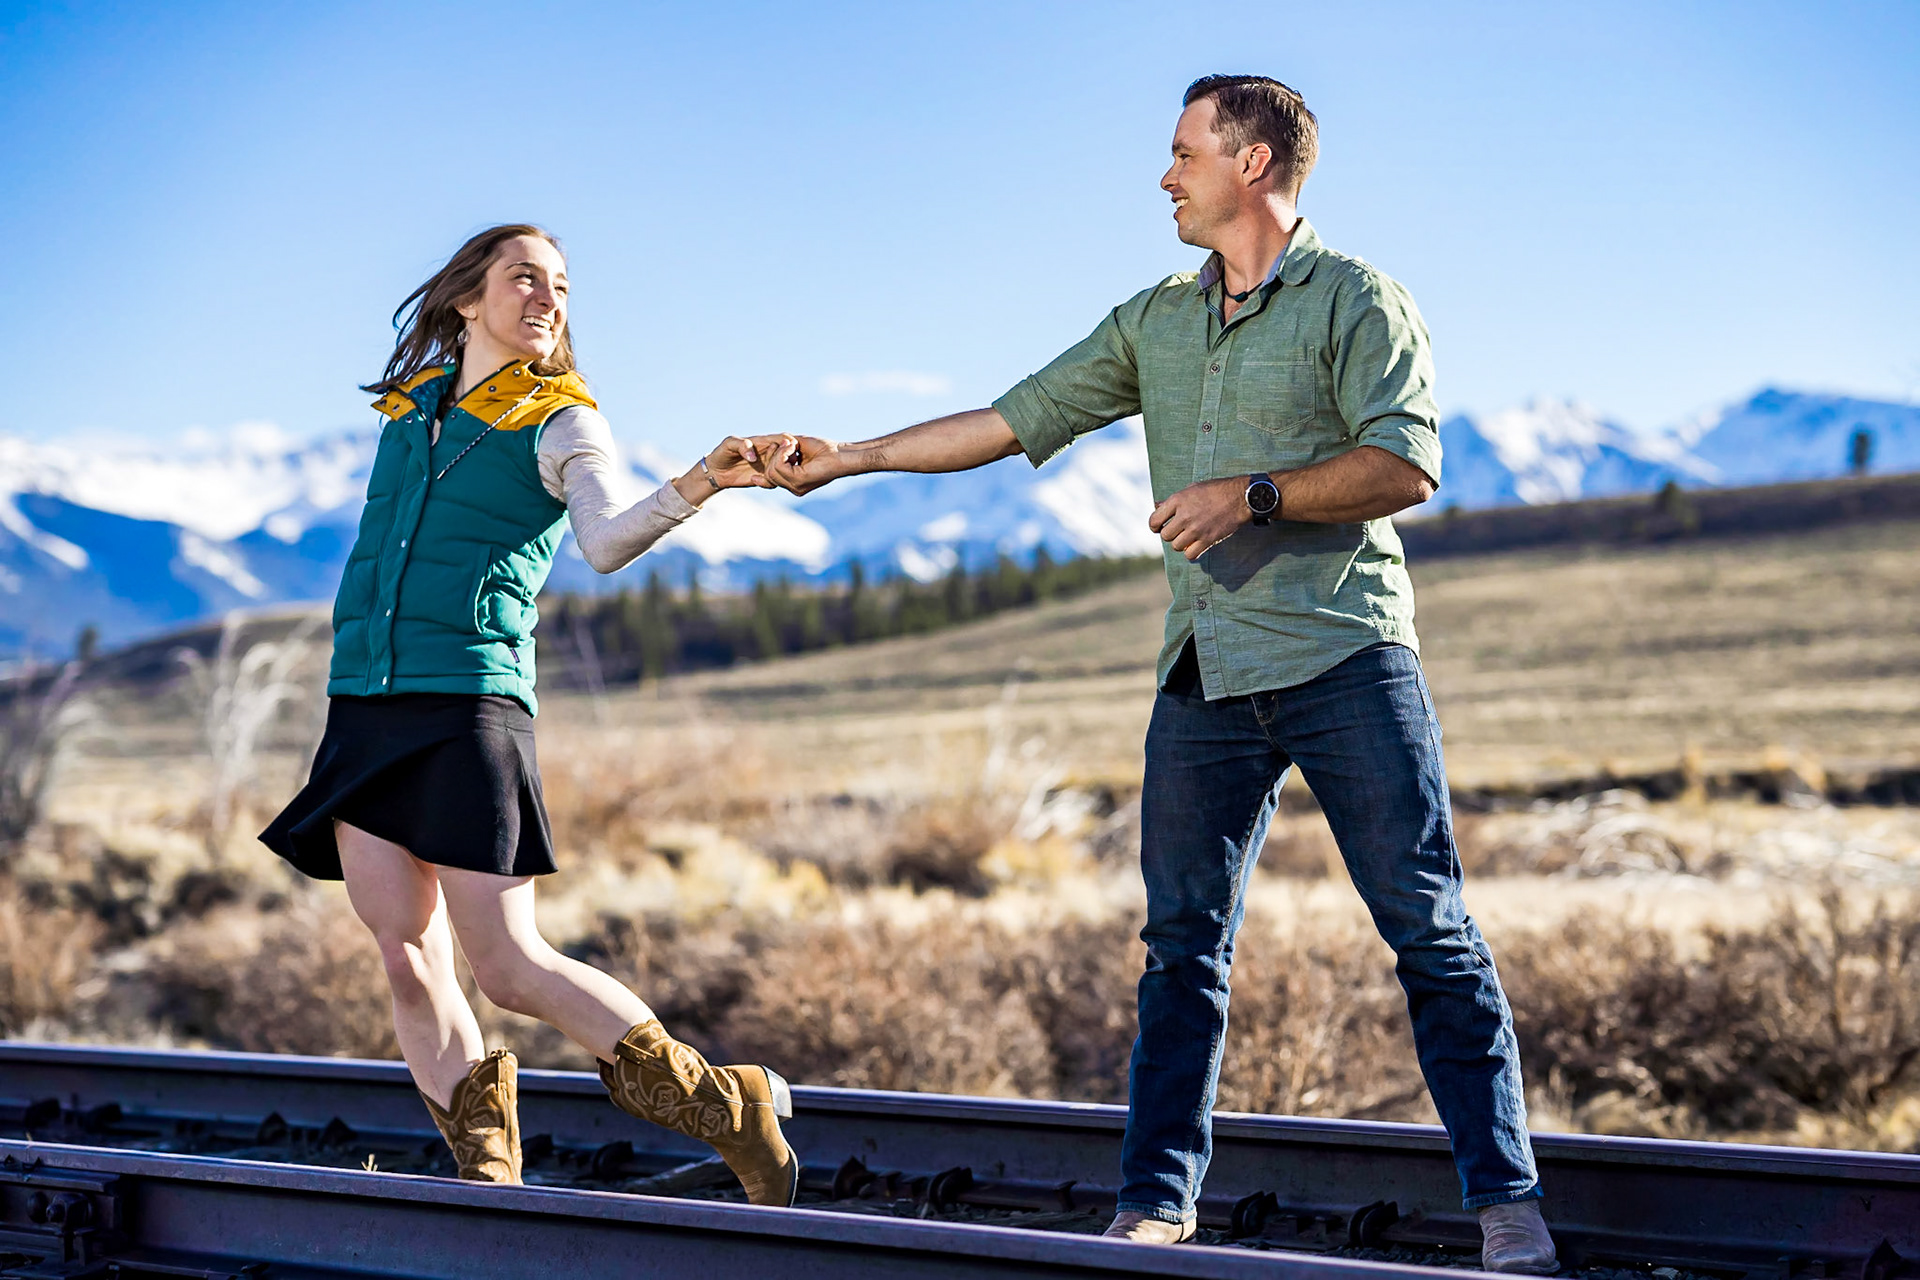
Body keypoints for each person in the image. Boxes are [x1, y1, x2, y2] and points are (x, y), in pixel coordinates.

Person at [757, 77, 1557, 1271]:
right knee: (1182, 945)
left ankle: (1508, 1205)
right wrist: (850, 458)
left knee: (1429, 931)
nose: (1165, 176)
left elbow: (1405, 463)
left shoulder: (1357, 300)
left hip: (1346, 655)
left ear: (1255, 161)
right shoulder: (1151, 322)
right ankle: (1157, 1202)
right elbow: (1015, 415)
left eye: (1184, 152)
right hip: (1203, 672)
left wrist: (1255, 496)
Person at [261, 224, 799, 1206]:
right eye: (526, 278)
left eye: (560, 285)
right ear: (469, 298)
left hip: (470, 703)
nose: (549, 298)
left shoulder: (561, 420)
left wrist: (698, 483)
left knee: (505, 961)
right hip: (365, 705)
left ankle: (725, 1102)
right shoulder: (409, 410)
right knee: (406, 951)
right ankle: (489, 1173)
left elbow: (603, 539)